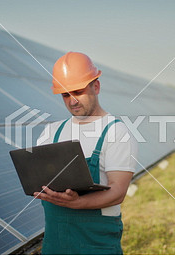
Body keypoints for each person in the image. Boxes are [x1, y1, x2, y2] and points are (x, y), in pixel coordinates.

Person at [34, 52, 138, 254]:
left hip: (95, 245)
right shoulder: (51, 132)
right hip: (55, 244)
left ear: (96, 87)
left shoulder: (117, 132)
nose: (72, 101)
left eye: (78, 92)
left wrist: (78, 202)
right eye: (65, 95)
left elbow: (118, 192)